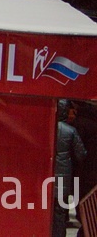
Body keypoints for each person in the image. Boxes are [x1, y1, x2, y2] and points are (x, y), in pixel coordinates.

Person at [54, 99, 87, 237]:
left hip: (43, 177)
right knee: (60, 212)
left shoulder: (44, 126)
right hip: (63, 177)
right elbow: (81, 154)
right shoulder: (70, 131)